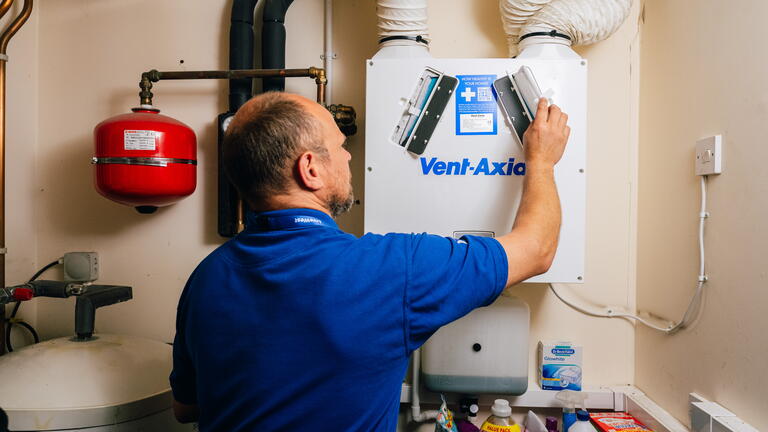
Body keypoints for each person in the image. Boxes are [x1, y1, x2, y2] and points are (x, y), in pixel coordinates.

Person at [170, 92, 570, 431]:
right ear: (310, 168)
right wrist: (541, 162)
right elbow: (536, 249)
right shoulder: (391, 270)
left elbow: (186, 408)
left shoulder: (205, 279)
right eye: (340, 146)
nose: (347, 158)